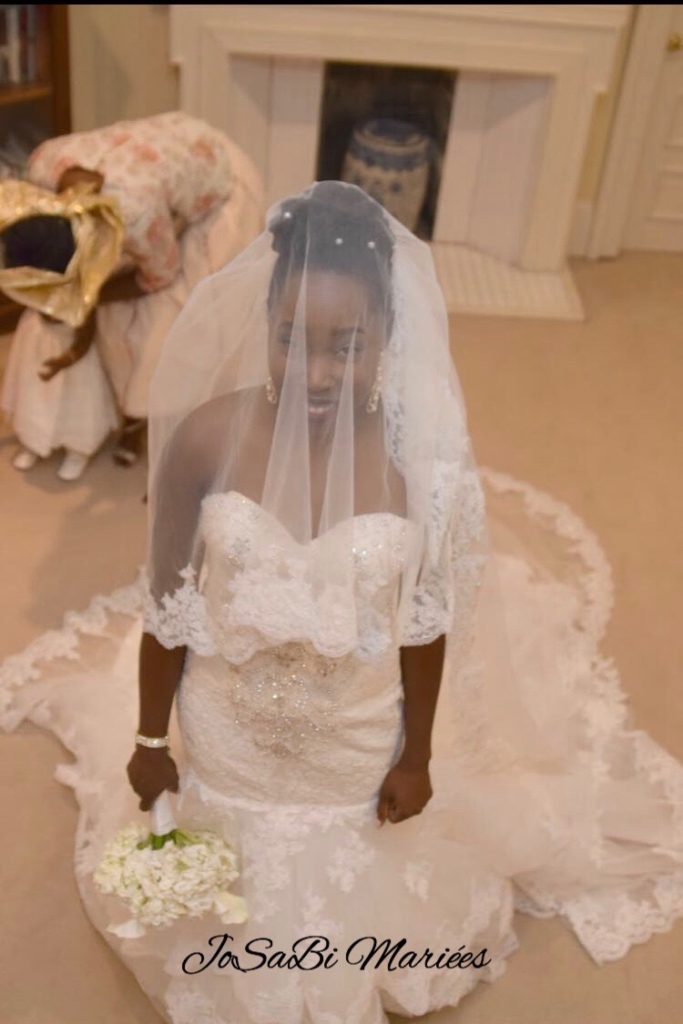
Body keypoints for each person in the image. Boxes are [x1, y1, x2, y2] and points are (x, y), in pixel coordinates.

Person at [2, 182, 683, 1024]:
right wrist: (148, 738)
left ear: (388, 338)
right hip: (227, 731)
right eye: (292, 340)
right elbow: (169, 605)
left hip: (355, 739)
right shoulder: (203, 441)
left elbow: (426, 624)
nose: (316, 371)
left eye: (347, 346)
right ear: (267, 331)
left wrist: (417, 756)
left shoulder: (417, 463)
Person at [11, 111, 264, 470]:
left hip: (217, 178)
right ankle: (130, 414)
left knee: (172, 328)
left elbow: (160, 276)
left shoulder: (138, 217)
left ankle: (161, 425)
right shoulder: (42, 166)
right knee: (118, 324)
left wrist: (92, 297)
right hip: (169, 157)